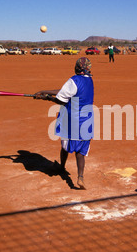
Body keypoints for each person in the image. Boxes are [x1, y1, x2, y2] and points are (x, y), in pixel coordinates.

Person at [34, 57, 94, 190]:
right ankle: (80, 177)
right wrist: (45, 91)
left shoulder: (74, 80)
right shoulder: (89, 80)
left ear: (77, 67)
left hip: (72, 121)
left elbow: (61, 100)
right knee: (81, 151)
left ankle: (61, 167)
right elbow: (64, 92)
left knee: (65, 146)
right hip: (87, 121)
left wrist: (47, 98)